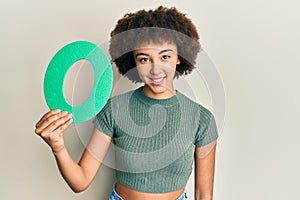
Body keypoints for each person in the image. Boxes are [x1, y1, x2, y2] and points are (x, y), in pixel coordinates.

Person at [35, 6, 218, 200]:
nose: (155, 70)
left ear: (179, 57)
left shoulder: (202, 119)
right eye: (144, 59)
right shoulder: (114, 110)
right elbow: (80, 181)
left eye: (165, 57)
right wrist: (58, 146)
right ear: (133, 62)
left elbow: (203, 194)